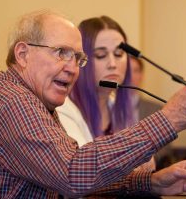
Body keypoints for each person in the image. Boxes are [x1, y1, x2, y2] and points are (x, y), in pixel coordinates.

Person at [0, 10, 186, 198]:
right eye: (61, 53)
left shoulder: (29, 100)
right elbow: (74, 175)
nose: (72, 68)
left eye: (78, 58)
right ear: (22, 54)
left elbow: (68, 181)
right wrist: (170, 118)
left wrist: (151, 182)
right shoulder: (12, 103)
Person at [57, 16, 157, 170]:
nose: (112, 64)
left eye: (118, 54)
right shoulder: (63, 108)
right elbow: (84, 173)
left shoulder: (118, 106)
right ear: (80, 60)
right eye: (100, 55)